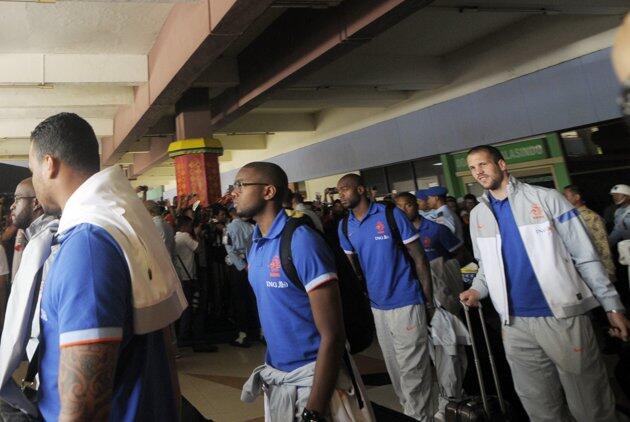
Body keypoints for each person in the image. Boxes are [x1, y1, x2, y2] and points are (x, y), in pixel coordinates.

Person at [27, 112, 185, 421]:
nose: (34, 182)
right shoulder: (122, 218)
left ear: (49, 164)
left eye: (33, 169)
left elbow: (84, 404)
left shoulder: (88, 244)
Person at [460, 144, 630, 422]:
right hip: (514, 323)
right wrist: (478, 289)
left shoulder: (547, 199)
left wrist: (612, 306)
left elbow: (585, 257)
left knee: (591, 405)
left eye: (483, 164)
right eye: (472, 168)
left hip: (562, 316)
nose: (478, 172)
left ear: (502, 165)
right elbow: (486, 266)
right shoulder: (479, 214)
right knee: (539, 406)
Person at [236, 162, 373, 421]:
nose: (234, 192)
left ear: (268, 191)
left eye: (241, 185)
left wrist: (314, 410)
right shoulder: (256, 244)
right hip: (277, 375)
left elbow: (333, 334)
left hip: (315, 381)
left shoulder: (301, 241)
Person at [336, 173, 434, 421]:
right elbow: (353, 269)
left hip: (407, 300)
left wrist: (428, 299)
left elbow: (419, 257)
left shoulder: (389, 215)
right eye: (339, 191)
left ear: (360, 190)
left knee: (413, 367)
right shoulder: (345, 226)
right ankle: (415, 411)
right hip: (378, 306)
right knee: (395, 368)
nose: (342, 194)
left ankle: (418, 416)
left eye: (346, 189)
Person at [395, 192, 469, 420]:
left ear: (415, 206)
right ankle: (420, 405)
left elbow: (462, 257)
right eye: (400, 207)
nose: (405, 210)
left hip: (441, 300)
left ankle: (450, 399)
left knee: (448, 350)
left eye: (409, 205)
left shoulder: (435, 230)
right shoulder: (395, 235)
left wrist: (456, 283)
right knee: (419, 354)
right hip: (411, 301)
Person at [563, 185, 617, 281]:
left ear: (577, 197)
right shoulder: (569, 217)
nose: (563, 199)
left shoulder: (591, 217)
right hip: (580, 267)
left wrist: (608, 269)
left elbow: (602, 243)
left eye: (566, 196)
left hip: (596, 267)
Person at [224, 209, 259, 347]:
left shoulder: (228, 228)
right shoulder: (252, 227)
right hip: (252, 265)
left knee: (240, 301)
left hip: (237, 268)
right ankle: (261, 331)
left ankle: (242, 335)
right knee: (254, 299)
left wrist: (241, 266)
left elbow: (229, 250)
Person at [608, 184, 630, 249]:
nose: (615, 197)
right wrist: (607, 244)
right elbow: (617, 231)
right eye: (614, 195)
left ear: (628, 196)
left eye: (618, 195)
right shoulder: (618, 211)